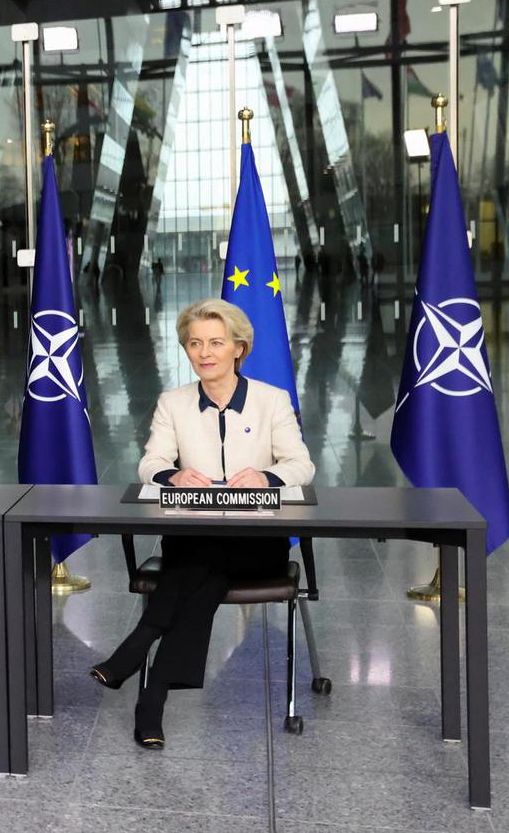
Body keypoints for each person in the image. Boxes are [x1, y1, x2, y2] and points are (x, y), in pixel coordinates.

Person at [90, 298, 314, 748]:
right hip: (193, 538)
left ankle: (138, 658)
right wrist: (170, 474)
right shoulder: (172, 403)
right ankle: (149, 699)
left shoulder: (272, 401)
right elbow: (150, 462)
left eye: (216, 342)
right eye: (195, 344)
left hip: (255, 543)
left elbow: (302, 466)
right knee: (202, 575)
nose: (204, 353)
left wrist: (266, 477)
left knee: (195, 571)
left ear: (238, 348)